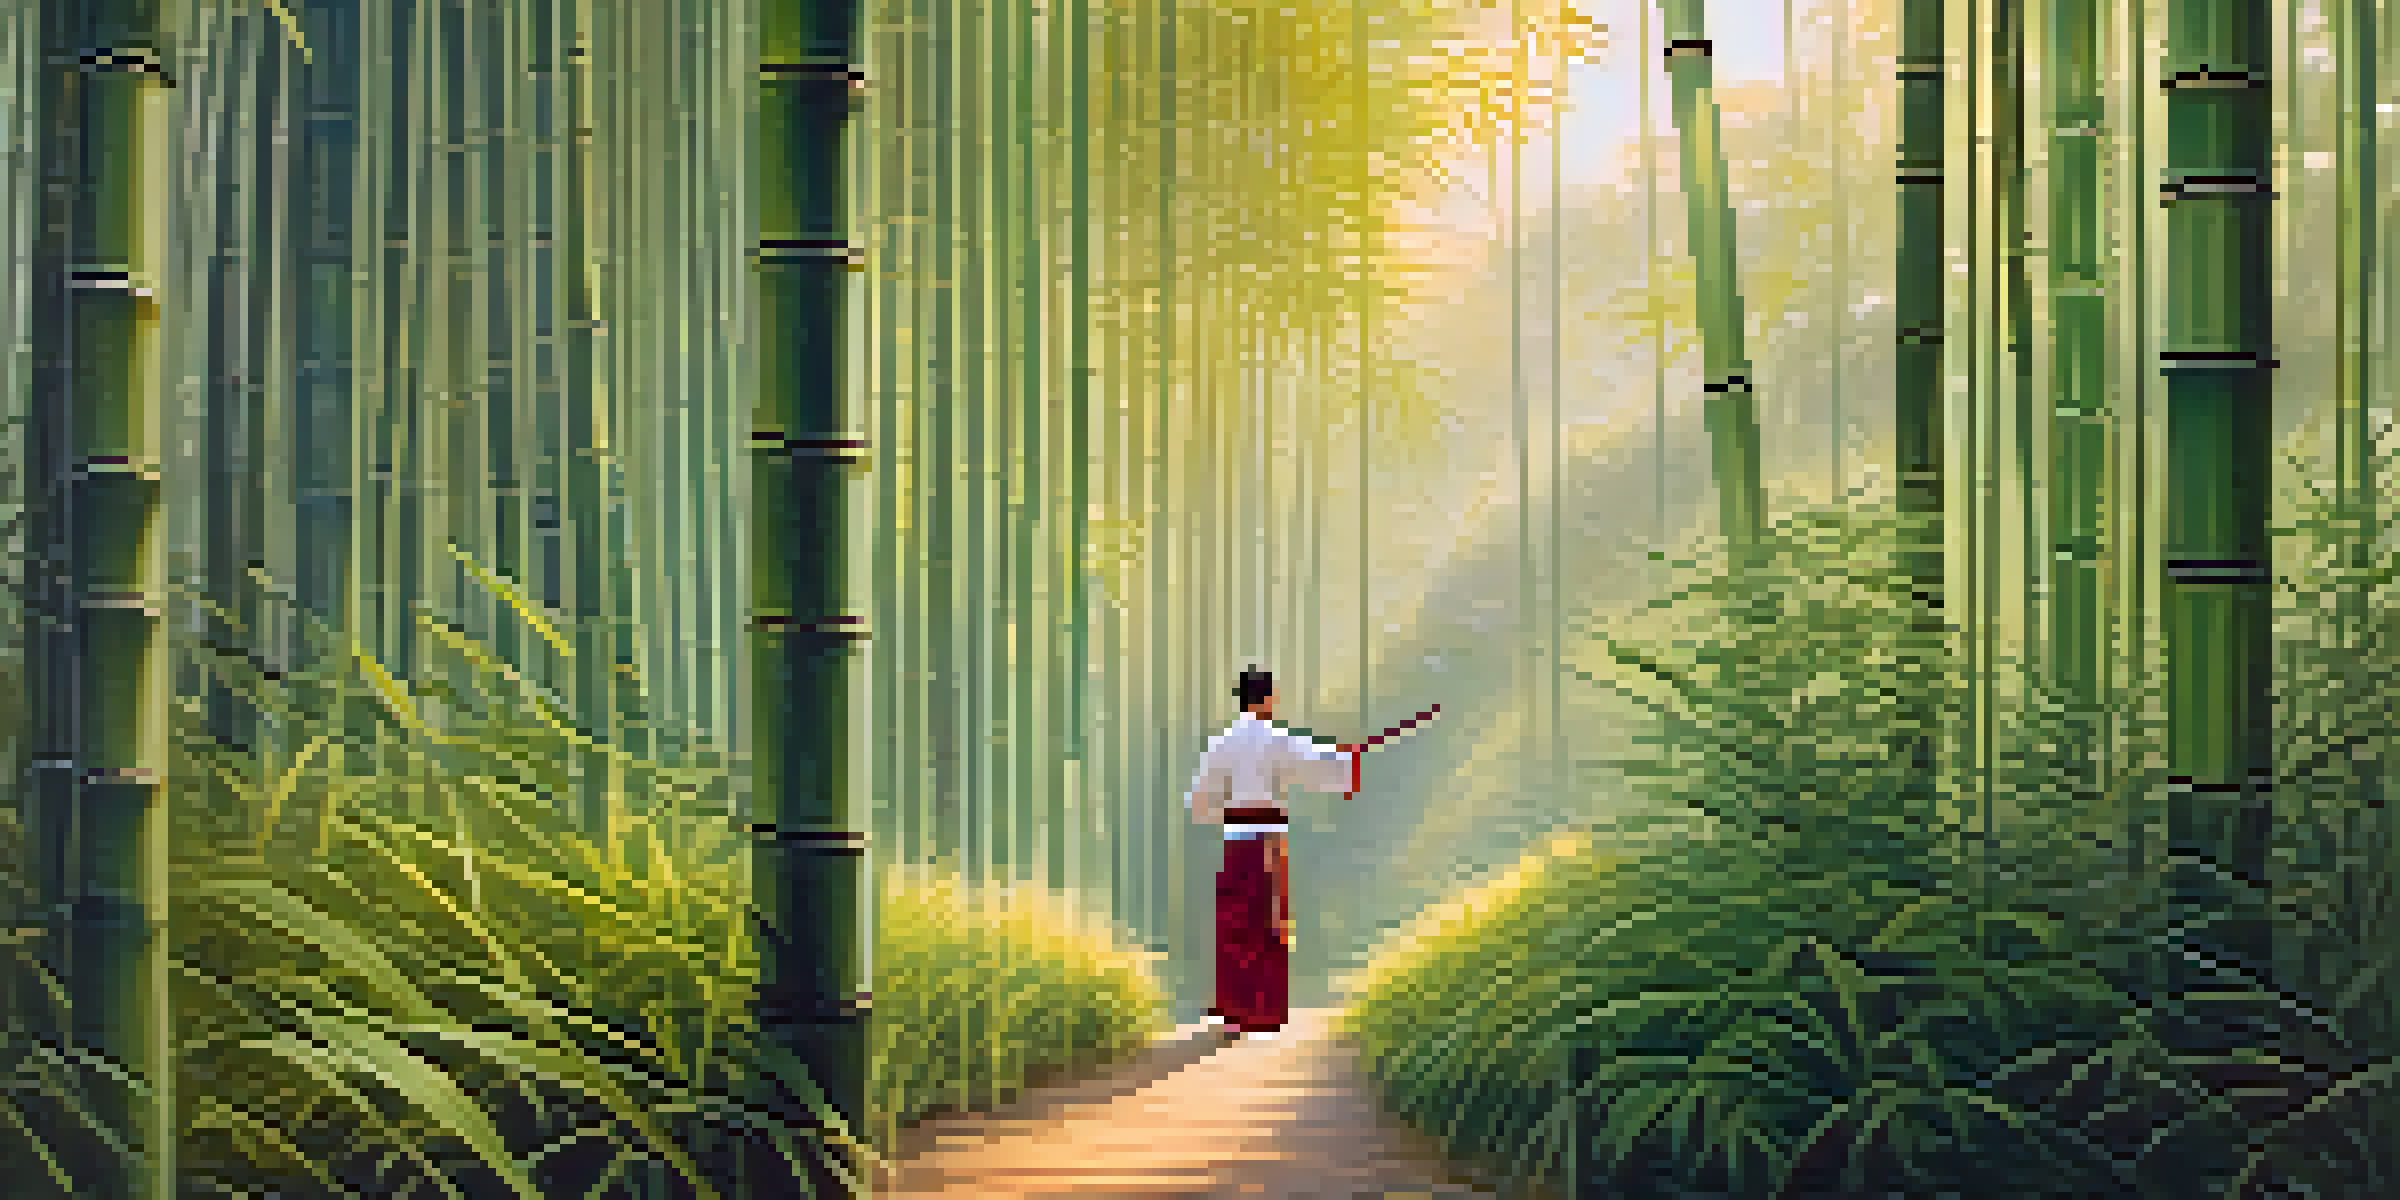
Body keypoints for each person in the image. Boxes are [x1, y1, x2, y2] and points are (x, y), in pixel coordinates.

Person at [1183, 665, 1362, 1038]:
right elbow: (1320, 767)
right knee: (1267, 919)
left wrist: (1229, 813)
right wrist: (1344, 757)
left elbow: (1199, 802)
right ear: (1266, 698)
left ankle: (1233, 1008)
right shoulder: (1278, 740)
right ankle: (1261, 1011)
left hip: (1233, 842)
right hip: (1266, 839)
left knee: (1234, 920)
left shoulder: (1221, 743)